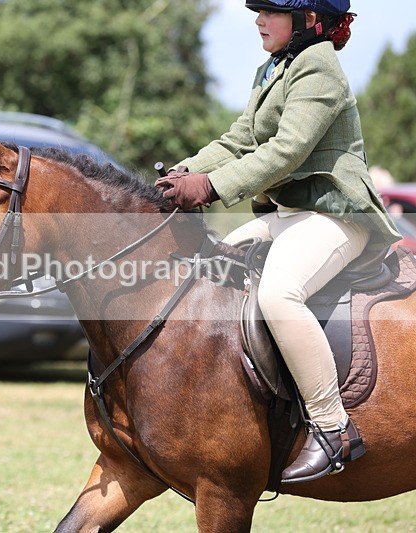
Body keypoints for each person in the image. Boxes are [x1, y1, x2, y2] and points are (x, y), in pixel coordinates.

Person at [155, 0, 401, 484]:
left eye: (271, 11)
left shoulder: (319, 67)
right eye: (259, 11)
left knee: (278, 295)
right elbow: (238, 141)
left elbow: (286, 151)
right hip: (288, 218)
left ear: (309, 20)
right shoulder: (275, 67)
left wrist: (211, 187)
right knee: (212, 269)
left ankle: (333, 427)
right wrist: (183, 173)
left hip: (336, 217)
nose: (258, 19)